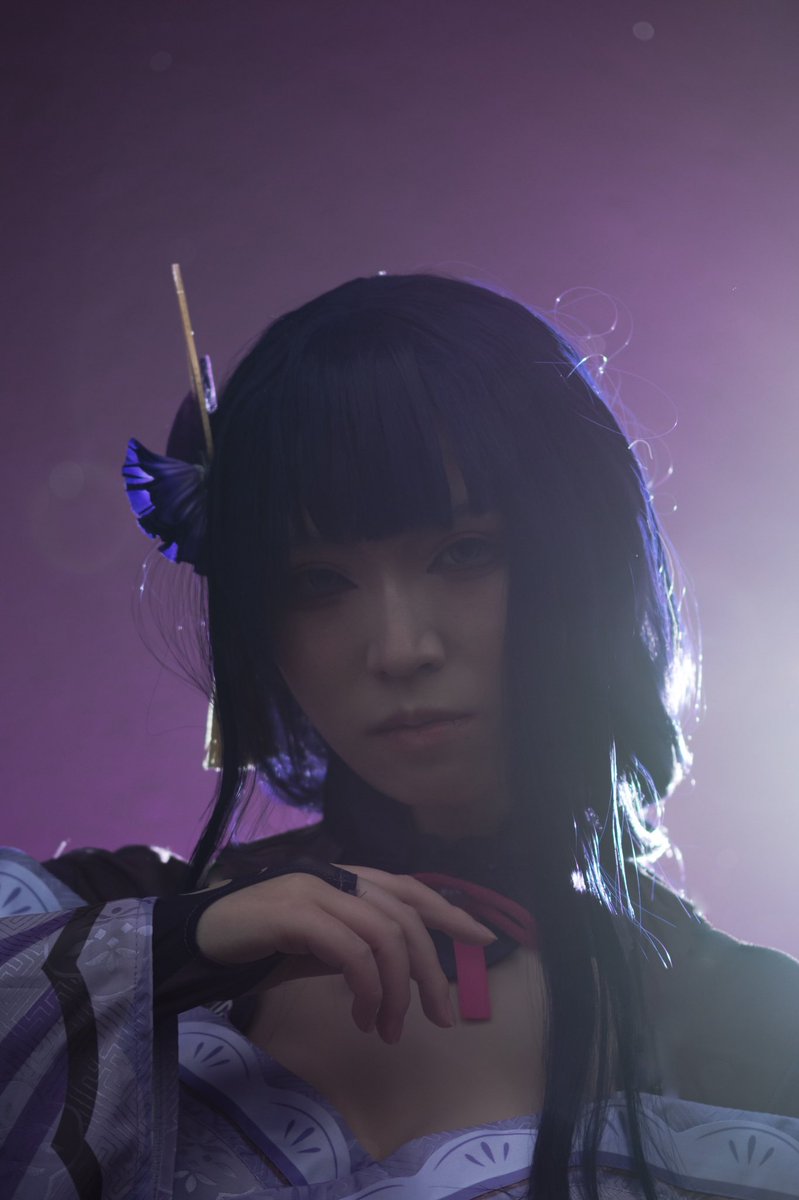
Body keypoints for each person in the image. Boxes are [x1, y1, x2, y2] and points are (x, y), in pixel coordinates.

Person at [2, 273, 798, 1200]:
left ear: (582, 565)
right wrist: (177, 948)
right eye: (316, 581)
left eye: (465, 554)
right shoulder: (110, 919)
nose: (399, 648)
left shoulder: (751, 1030)